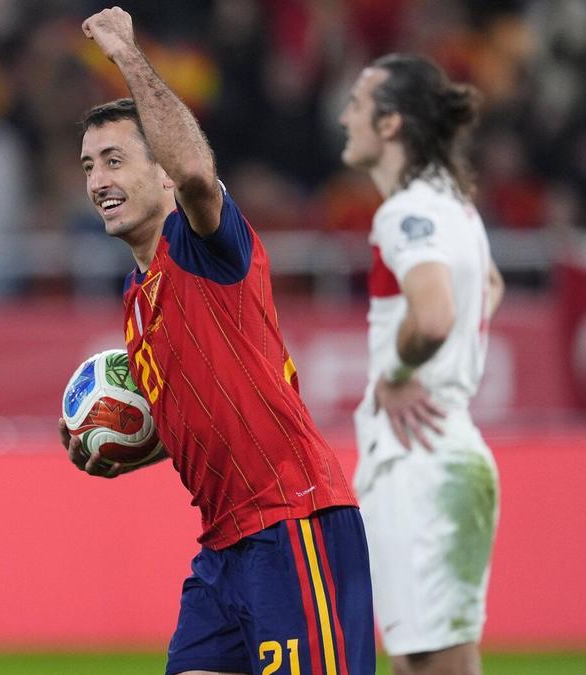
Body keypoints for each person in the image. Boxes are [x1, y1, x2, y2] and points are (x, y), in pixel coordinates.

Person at [58, 8, 375, 675]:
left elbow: (200, 174)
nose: (98, 181)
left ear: (162, 172)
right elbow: (204, 415)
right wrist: (121, 442)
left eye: (115, 160)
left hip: (294, 522)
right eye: (89, 166)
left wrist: (129, 57)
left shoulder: (203, 244)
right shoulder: (134, 301)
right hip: (224, 547)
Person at [340, 54, 504, 675]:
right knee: (425, 662)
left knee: (433, 663)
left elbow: (433, 316)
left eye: (356, 103)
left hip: (422, 459)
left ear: (390, 125)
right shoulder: (454, 206)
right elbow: (487, 285)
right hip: (442, 451)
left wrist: (400, 375)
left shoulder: (407, 212)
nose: (342, 116)